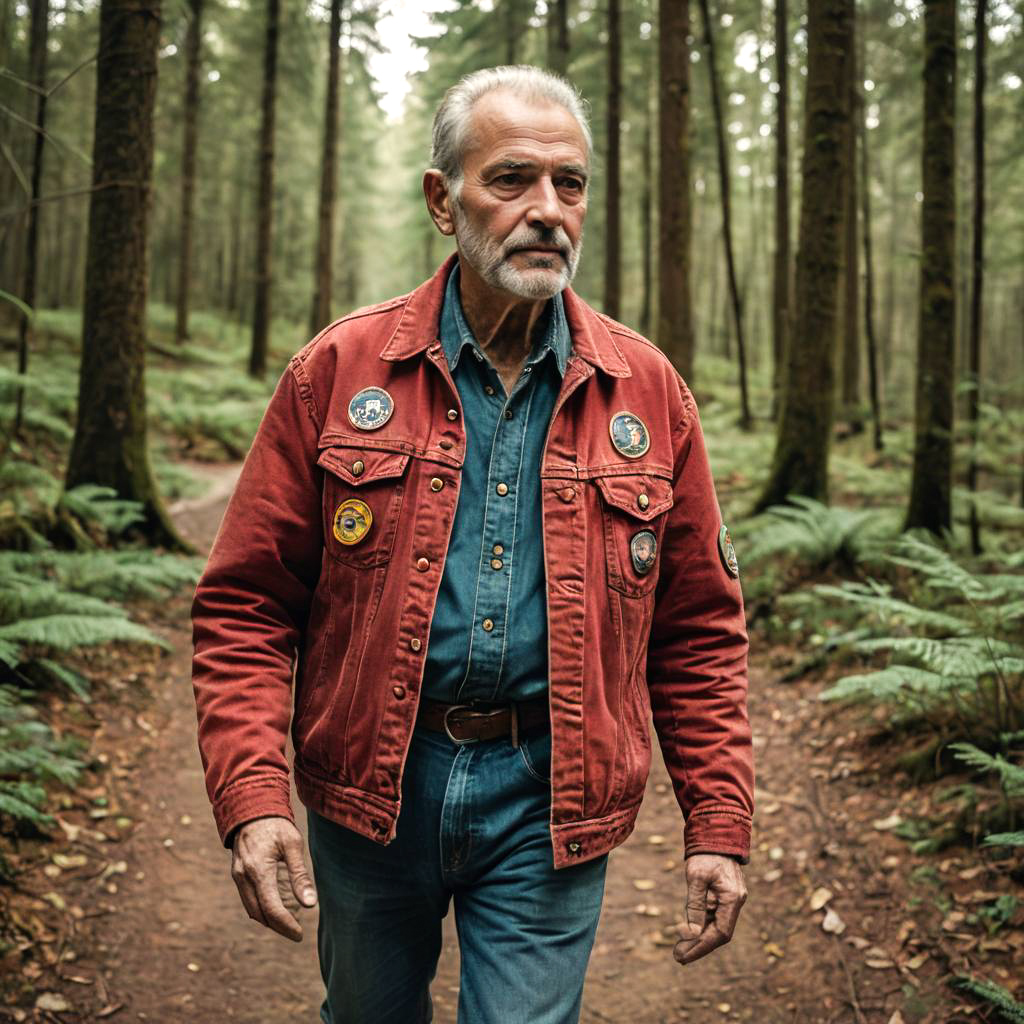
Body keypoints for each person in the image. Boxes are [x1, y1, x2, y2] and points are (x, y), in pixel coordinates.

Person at [190, 64, 754, 1024]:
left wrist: (720, 822)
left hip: (551, 796)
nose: (547, 210)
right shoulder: (337, 372)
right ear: (442, 201)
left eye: (568, 184)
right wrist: (253, 796)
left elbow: (698, 628)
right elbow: (245, 605)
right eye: (511, 180)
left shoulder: (649, 392)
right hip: (371, 785)